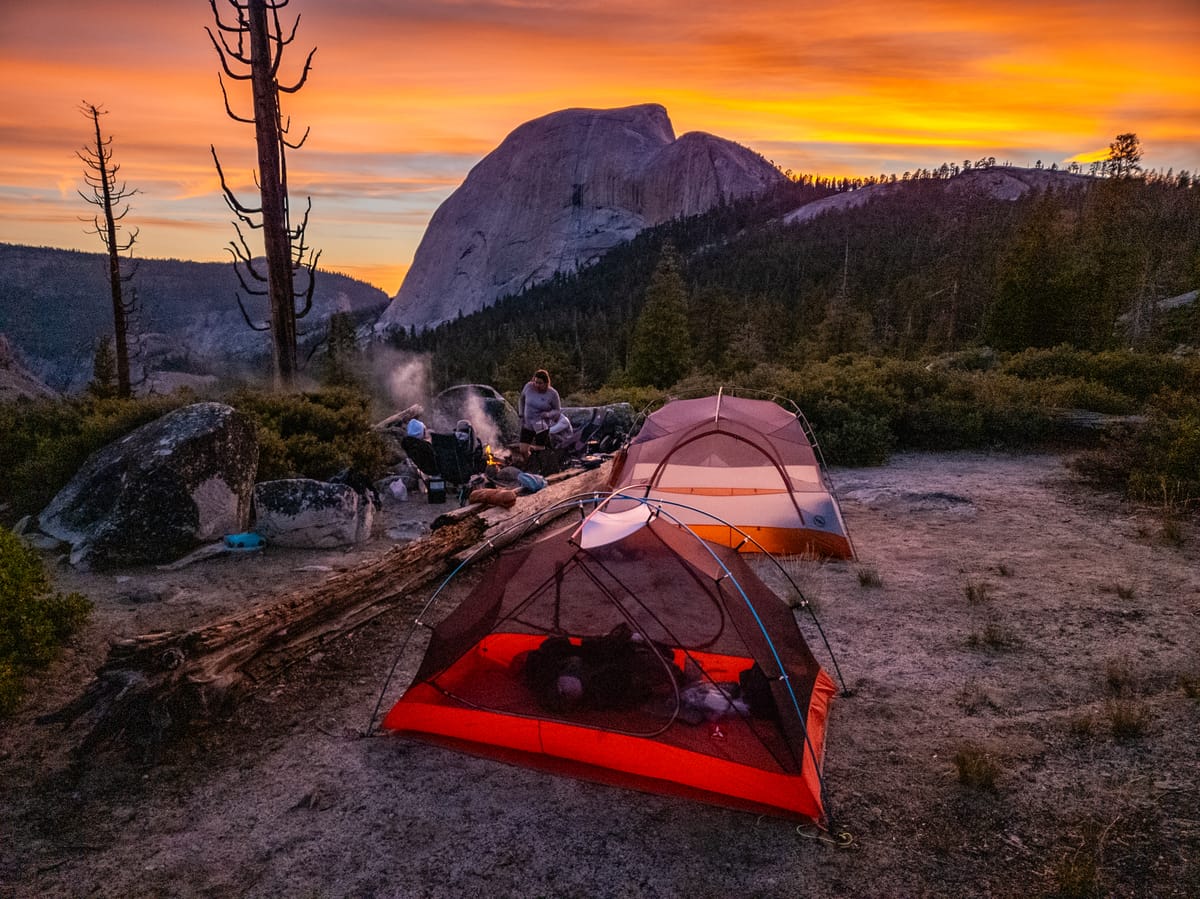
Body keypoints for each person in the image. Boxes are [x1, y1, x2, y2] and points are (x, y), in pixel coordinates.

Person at [518, 369, 561, 455]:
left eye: (540, 383)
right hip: (527, 423)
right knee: (523, 450)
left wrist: (548, 414)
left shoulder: (552, 394)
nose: (537, 385)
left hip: (541, 424)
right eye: (535, 382)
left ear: (546, 383)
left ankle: (539, 466)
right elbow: (521, 399)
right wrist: (521, 414)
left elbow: (557, 411)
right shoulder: (528, 387)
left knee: (539, 450)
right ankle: (528, 463)